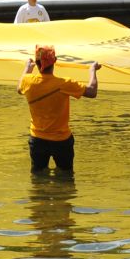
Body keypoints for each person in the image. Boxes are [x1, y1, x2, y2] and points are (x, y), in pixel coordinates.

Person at [19, 44, 99, 175]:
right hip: (61, 141)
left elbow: (19, 88)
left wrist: (27, 68)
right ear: (54, 61)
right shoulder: (63, 84)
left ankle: (39, 195)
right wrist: (92, 70)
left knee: (38, 176)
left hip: (37, 140)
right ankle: (61, 194)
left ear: (37, 62)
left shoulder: (28, 81)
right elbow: (92, 92)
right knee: (66, 176)